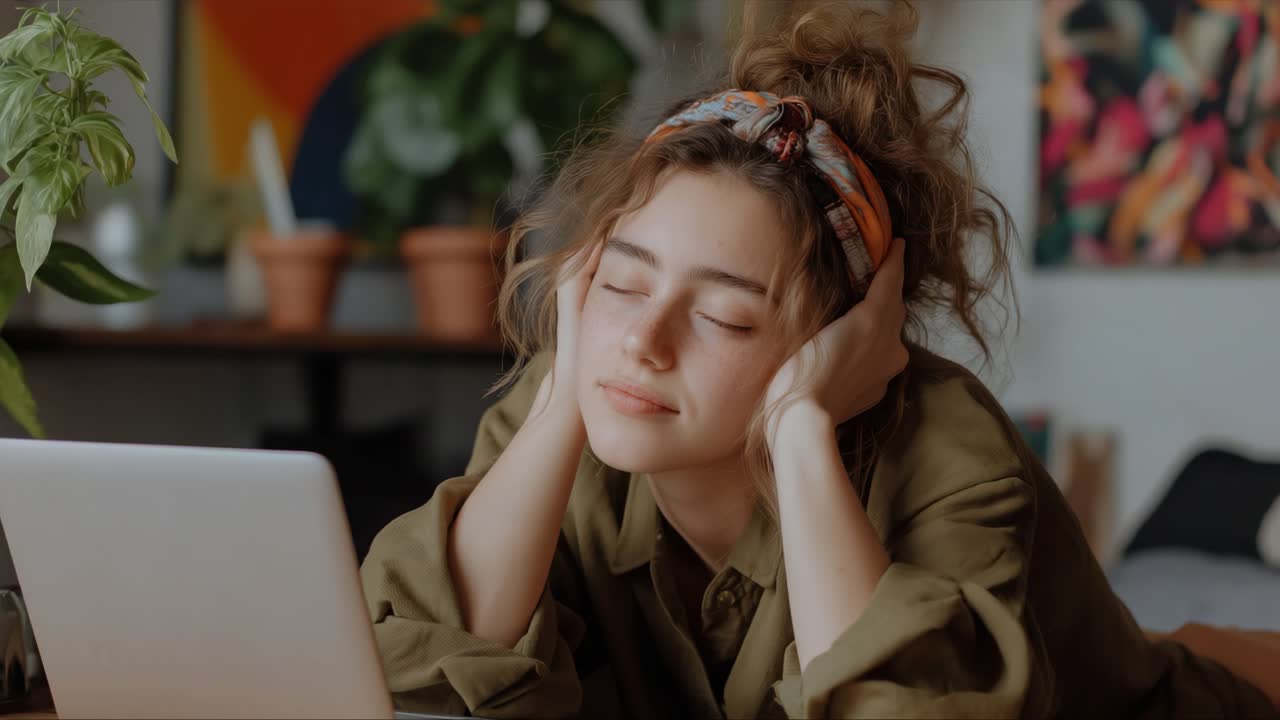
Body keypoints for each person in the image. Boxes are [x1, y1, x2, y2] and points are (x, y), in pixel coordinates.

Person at [360, 3, 1279, 718]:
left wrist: (800, 430)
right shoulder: (575, 394)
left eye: (722, 316)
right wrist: (566, 387)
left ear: (837, 339)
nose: (642, 341)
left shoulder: (950, 448)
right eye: (624, 281)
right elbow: (421, 669)